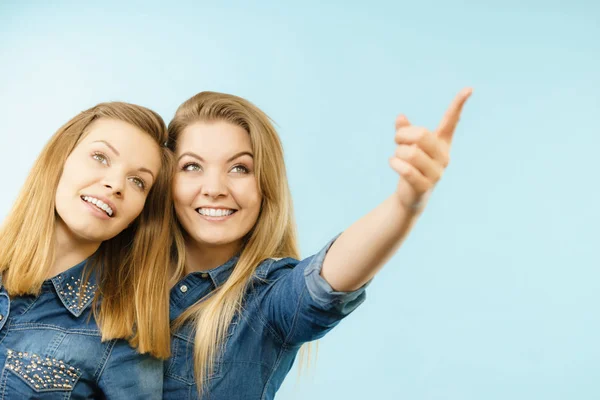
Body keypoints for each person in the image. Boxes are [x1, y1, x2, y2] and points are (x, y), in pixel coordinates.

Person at [164, 89, 472, 399]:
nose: (215, 188)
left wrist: (406, 204)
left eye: (240, 168)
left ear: (265, 187)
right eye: (192, 166)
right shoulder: (125, 271)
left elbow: (325, 279)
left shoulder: (268, 299)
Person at [0, 102, 174, 398]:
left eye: (138, 181)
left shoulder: (121, 336)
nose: (116, 184)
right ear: (61, 157)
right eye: (100, 157)